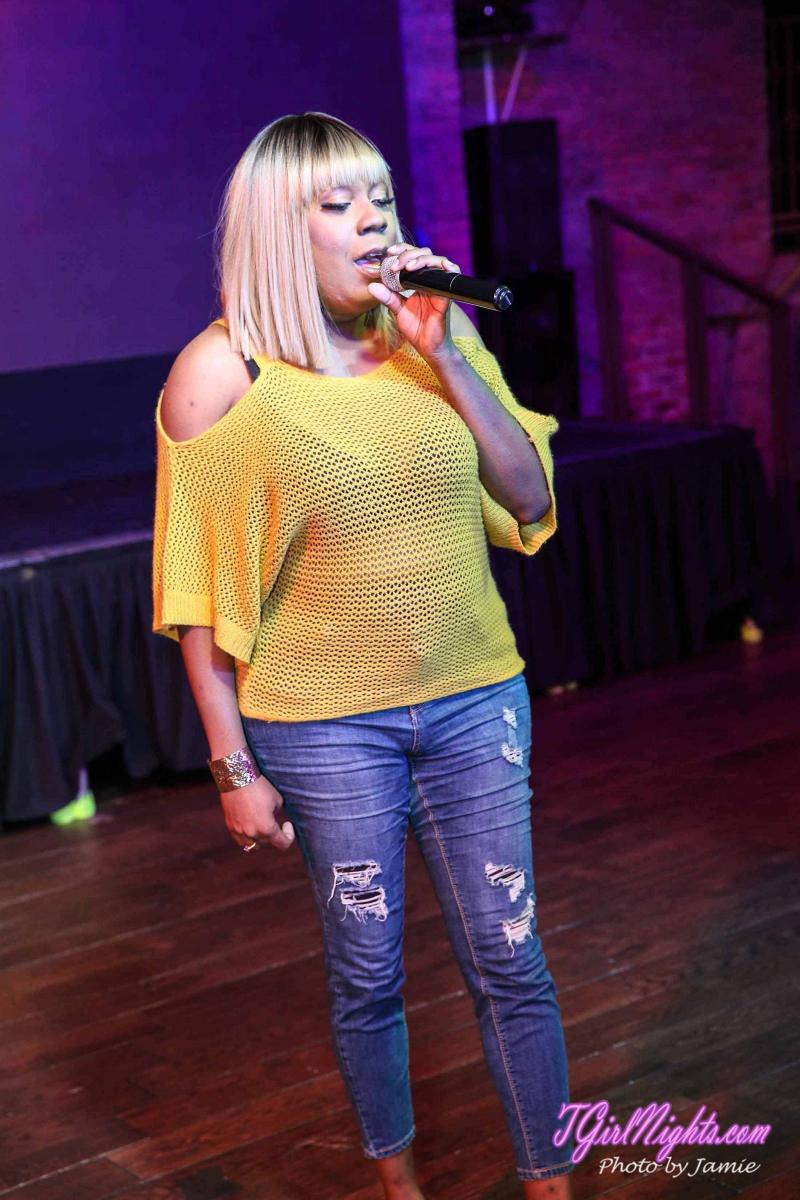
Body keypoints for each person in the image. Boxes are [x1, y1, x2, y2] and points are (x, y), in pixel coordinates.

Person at [151, 112, 575, 1199]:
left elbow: (526, 497)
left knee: (513, 957)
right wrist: (232, 768)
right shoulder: (222, 375)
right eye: (338, 204)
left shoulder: (429, 332)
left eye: (380, 198)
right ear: (277, 227)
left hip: (476, 698)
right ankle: (400, 1190)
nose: (372, 222)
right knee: (368, 975)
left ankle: (551, 1185)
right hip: (325, 726)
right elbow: (199, 598)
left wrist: (447, 358)